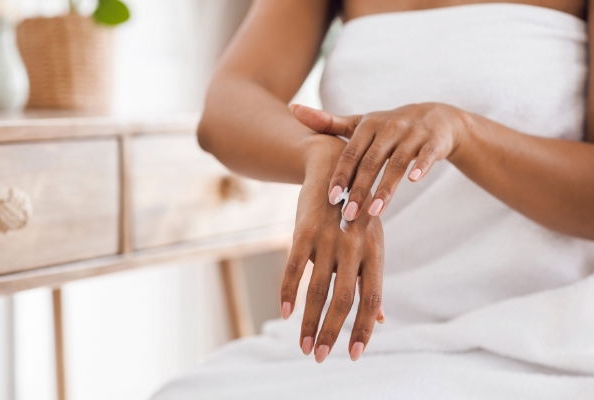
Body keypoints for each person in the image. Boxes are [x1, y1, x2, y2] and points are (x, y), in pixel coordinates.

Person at [154, 1, 594, 398]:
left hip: (538, 336)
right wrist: (319, 154)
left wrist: (463, 132)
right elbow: (225, 108)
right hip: (355, 342)